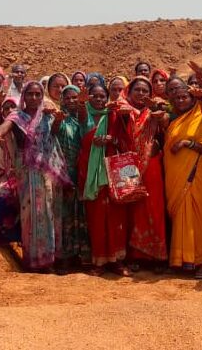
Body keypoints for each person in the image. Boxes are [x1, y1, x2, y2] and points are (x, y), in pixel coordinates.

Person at [0, 81, 71, 272]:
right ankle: (34, 260)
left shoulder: (47, 115)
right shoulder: (17, 116)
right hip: (27, 173)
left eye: (37, 94)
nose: (34, 98)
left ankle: (50, 259)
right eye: (30, 94)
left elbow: (53, 135)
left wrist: (57, 120)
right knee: (32, 215)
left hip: (48, 171)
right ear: (23, 96)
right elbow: (5, 126)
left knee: (49, 213)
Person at [163, 75, 202, 279]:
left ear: (192, 97)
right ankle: (180, 260)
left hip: (196, 174)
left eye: (184, 96)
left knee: (199, 215)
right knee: (179, 217)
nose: (180, 100)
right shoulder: (172, 120)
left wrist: (188, 144)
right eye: (176, 98)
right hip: (175, 176)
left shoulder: (201, 116)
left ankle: (201, 261)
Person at [77, 84, 131, 276]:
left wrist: (111, 140)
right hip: (91, 174)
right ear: (89, 98)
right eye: (95, 96)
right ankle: (99, 262)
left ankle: (117, 261)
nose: (99, 100)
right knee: (96, 219)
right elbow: (83, 121)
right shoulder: (84, 114)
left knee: (116, 218)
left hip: (112, 172)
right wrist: (82, 103)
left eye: (102, 96)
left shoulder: (113, 115)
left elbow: (125, 141)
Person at [120, 77, 169, 270]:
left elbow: (165, 121)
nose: (141, 94)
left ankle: (156, 256)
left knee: (154, 208)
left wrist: (157, 110)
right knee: (132, 210)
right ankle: (134, 255)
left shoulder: (155, 110)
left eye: (145, 91)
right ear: (129, 92)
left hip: (152, 165)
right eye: (137, 90)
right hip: (128, 166)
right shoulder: (123, 109)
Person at [54, 85, 91, 271]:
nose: (71, 101)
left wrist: (83, 104)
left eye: (74, 98)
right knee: (64, 215)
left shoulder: (83, 117)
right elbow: (52, 135)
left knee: (81, 213)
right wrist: (56, 121)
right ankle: (64, 257)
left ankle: (81, 255)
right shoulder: (58, 117)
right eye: (67, 98)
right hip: (62, 172)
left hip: (82, 172)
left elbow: (86, 126)